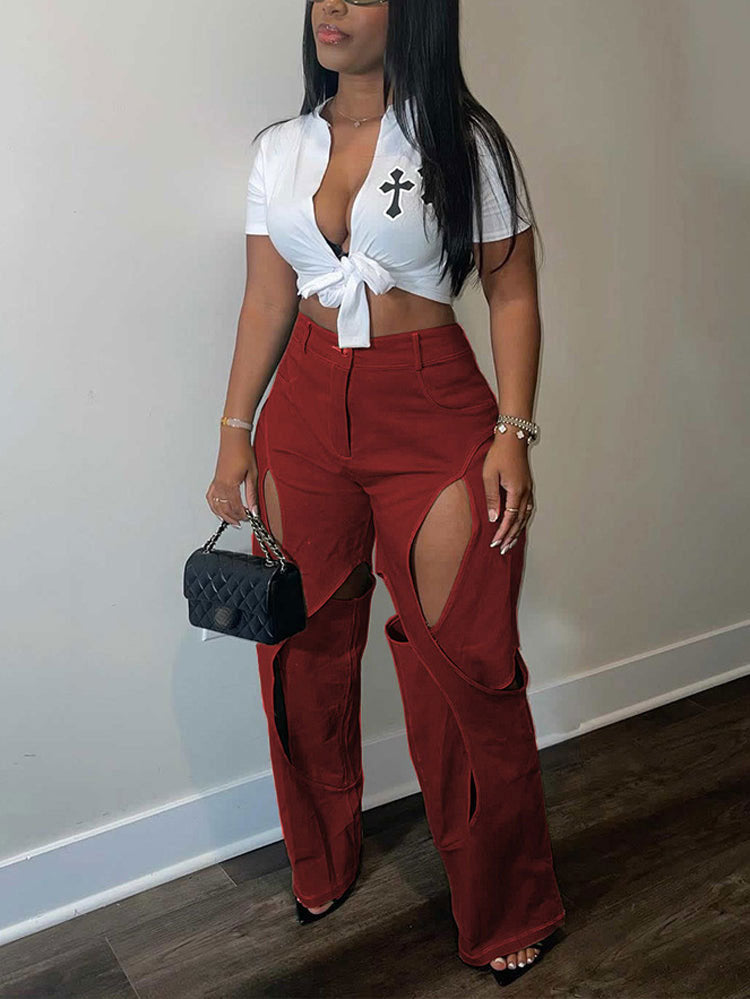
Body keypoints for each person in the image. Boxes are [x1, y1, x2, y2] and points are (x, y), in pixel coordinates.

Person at [206, 0, 566, 985]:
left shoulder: (465, 140)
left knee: (465, 664)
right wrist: (234, 434)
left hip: (434, 412)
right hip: (303, 410)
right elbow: (267, 296)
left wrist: (513, 432)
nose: (330, 8)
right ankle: (321, 857)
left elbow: (514, 291)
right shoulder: (281, 149)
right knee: (299, 646)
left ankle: (506, 906)